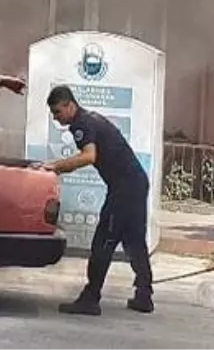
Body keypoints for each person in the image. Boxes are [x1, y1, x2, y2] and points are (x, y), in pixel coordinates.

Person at [38, 85, 153, 316]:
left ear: (70, 105)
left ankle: (91, 298)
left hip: (124, 188)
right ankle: (144, 295)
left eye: (58, 112)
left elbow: (89, 156)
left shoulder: (81, 123)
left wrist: (55, 167)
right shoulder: (90, 119)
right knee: (134, 241)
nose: (56, 118)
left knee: (103, 241)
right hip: (136, 183)